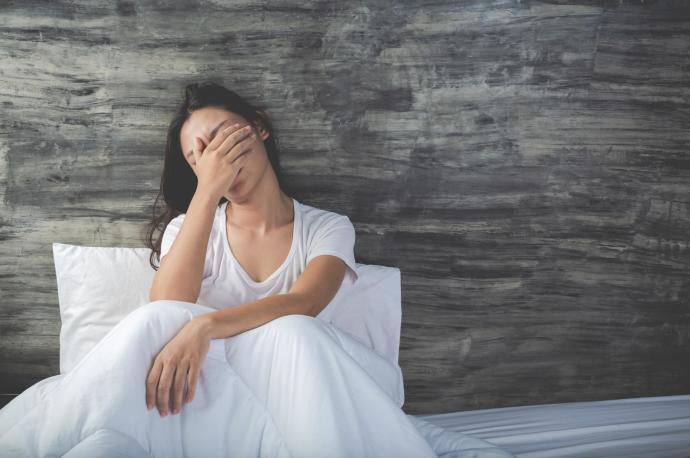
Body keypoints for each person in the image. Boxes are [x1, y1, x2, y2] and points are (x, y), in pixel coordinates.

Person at [0, 81, 514, 458]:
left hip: (290, 387)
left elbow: (304, 304)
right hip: (205, 399)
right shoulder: (192, 227)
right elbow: (165, 309)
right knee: (152, 324)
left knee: (291, 330)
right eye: (197, 156)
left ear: (259, 128)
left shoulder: (327, 228)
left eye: (221, 137)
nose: (215, 158)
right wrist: (206, 193)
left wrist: (205, 326)